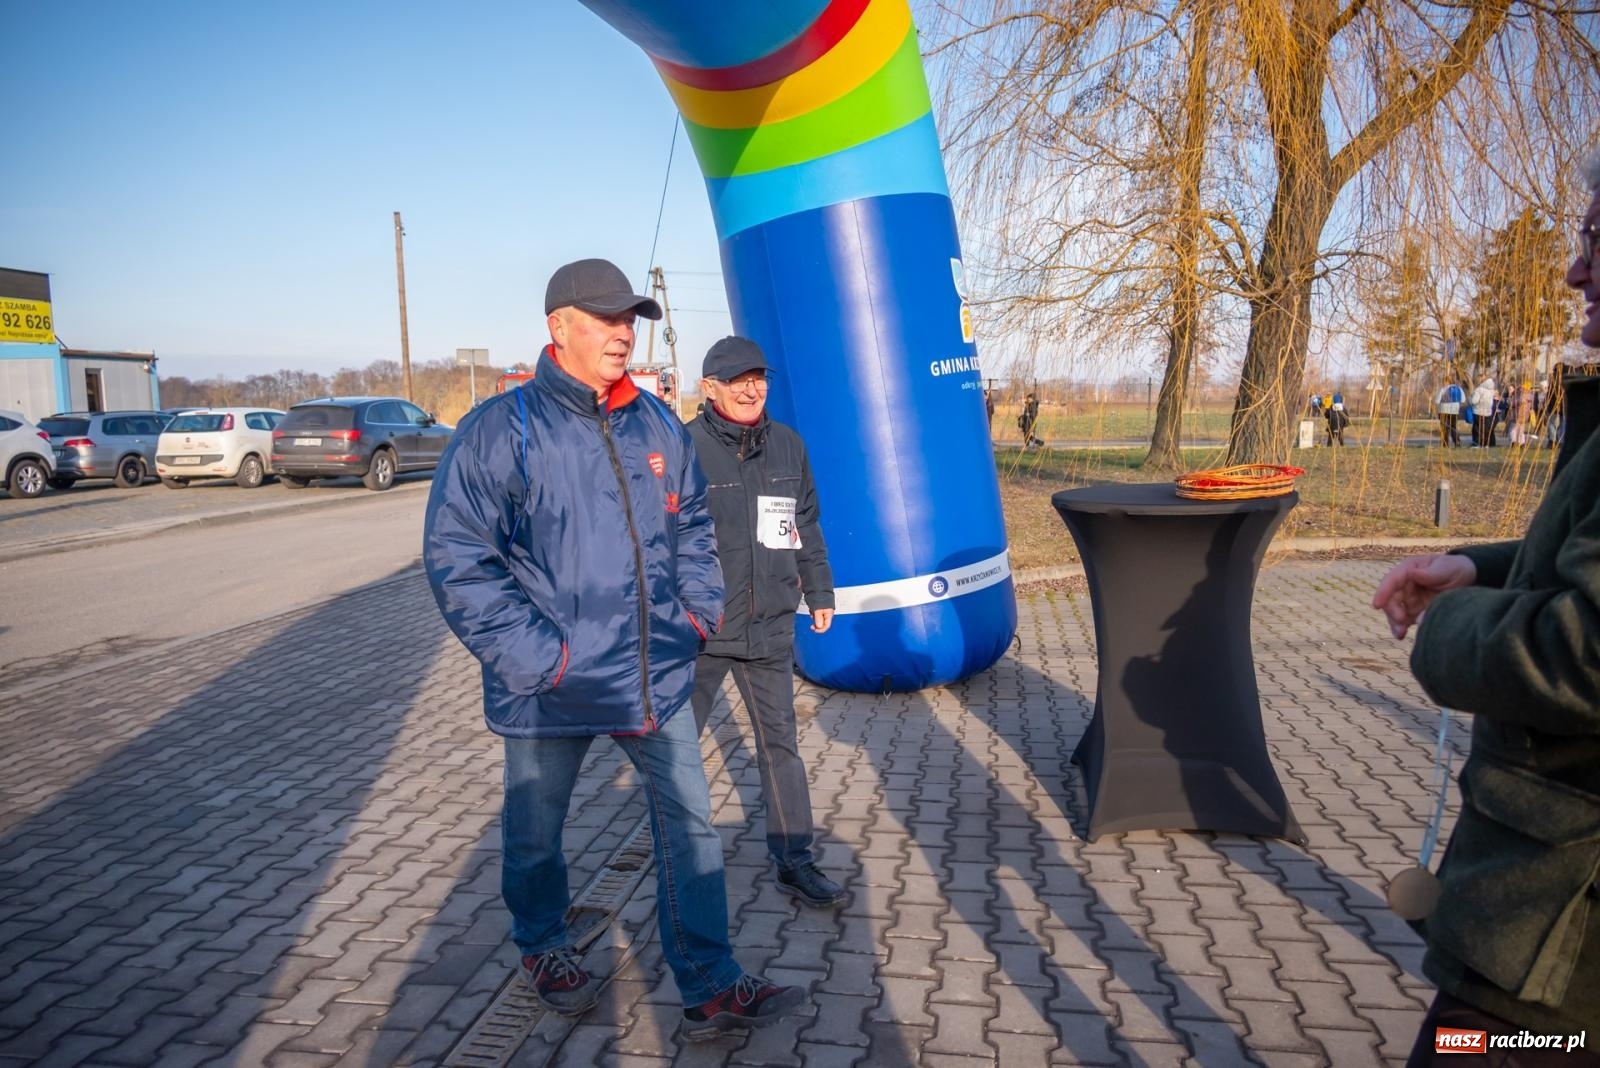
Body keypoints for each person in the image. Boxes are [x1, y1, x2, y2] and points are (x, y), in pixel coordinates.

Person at [423, 258, 804, 1041]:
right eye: (605, 319)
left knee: (692, 828)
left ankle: (709, 981)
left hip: (653, 674)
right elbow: (459, 557)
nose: (623, 333)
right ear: (558, 327)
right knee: (535, 835)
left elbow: (692, 526)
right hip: (549, 684)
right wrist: (542, 659)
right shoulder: (500, 429)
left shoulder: (657, 423)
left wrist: (695, 614)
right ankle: (544, 945)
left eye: (629, 319)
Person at [1371, 147, 1600, 1065]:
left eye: (1596, 239)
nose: (1574, 269)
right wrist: (1480, 568)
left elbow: (1585, 646)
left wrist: (1445, 634)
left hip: (1554, 943)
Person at [687, 336, 846, 909]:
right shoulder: (684, 448)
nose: (752, 389)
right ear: (709, 388)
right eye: (738, 381)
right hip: (703, 630)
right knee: (674, 748)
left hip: (770, 626)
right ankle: (680, 855)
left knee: (781, 745)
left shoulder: (788, 446)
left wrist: (819, 590)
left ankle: (794, 859)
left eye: (758, 378)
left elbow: (807, 524)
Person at [1434, 380, 1464, 447]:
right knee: (1453, 427)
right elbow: (1463, 400)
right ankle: (1457, 441)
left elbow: (1437, 401)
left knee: (1444, 428)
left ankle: (1445, 443)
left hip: (1443, 411)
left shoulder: (1443, 389)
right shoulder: (1459, 389)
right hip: (1455, 411)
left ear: (1446, 382)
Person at [1469, 375, 1496, 447]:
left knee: (1477, 429)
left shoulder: (1479, 389)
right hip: (1488, 412)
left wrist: (1470, 399)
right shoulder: (1491, 390)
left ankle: (1477, 443)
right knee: (1486, 429)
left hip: (1478, 411)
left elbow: (1474, 401)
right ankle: (1486, 443)